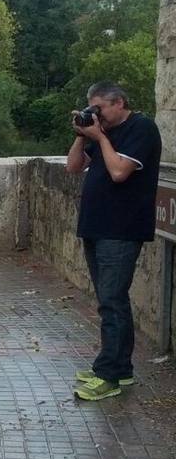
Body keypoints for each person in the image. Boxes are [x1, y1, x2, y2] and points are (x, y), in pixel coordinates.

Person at [64, 81, 163, 400]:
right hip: (96, 226)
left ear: (119, 102)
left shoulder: (142, 128)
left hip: (121, 229)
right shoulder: (101, 132)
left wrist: (100, 137)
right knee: (110, 301)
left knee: (112, 300)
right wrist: (82, 136)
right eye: (92, 109)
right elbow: (73, 167)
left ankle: (108, 375)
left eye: (100, 108)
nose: (97, 115)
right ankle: (120, 369)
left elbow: (120, 171)